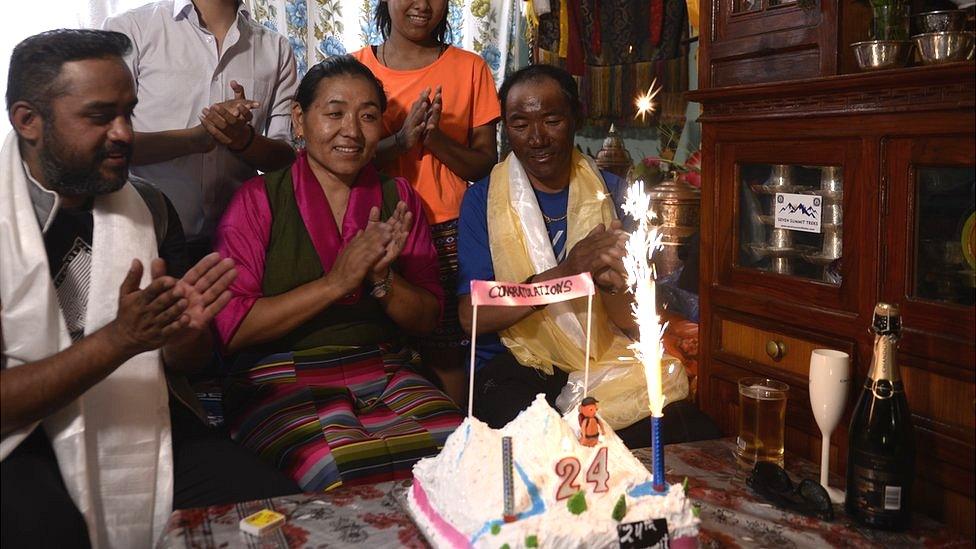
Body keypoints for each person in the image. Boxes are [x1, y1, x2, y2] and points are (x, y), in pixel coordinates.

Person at [0, 30, 300, 549]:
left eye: (128, 112)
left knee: (275, 515)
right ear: (28, 121)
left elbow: (188, 363)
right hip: (23, 439)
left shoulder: (150, 207)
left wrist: (184, 334)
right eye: (99, 116)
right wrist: (120, 339)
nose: (124, 134)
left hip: (138, 416)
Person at [213, 55, 463, 493]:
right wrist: (336, 283)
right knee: (339, 469)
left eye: (368, 116)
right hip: (280, 377)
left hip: (386, 370)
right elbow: (232, 328)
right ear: (299, 120)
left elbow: (428, 318)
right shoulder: (258, 200)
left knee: (460, 459)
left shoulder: (397, 197)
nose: (352, 130)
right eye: (334, 113)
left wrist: (383, 282)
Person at [458, 65, 720, 448]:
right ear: (505, 129)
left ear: (575, 119)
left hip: (601, 353)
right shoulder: (483, 200)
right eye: (519, 124)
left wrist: (613, 286)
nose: (536, 138)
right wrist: (569, 272)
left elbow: (630, 318)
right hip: (514, 361)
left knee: (684, 428)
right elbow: (471, 315)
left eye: (551, 120)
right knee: (548, 445)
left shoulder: (612, 192)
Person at [352, 0, 501, 406]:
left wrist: (434, 140)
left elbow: (485, 164)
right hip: (375, 228)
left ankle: (455, 448)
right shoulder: (356, 70)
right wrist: (400, 142)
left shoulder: (471, 69)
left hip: (448, 229)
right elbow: (339, 158)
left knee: (447, 353)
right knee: (375, 350)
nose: (421, 5)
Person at [103, 0, 298, 262]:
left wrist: (243, 140)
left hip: (237, 245)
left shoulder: (275, 47)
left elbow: (284, 158)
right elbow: (103, 146)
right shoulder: (131, 29)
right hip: (143, 238)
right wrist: (195, 139)